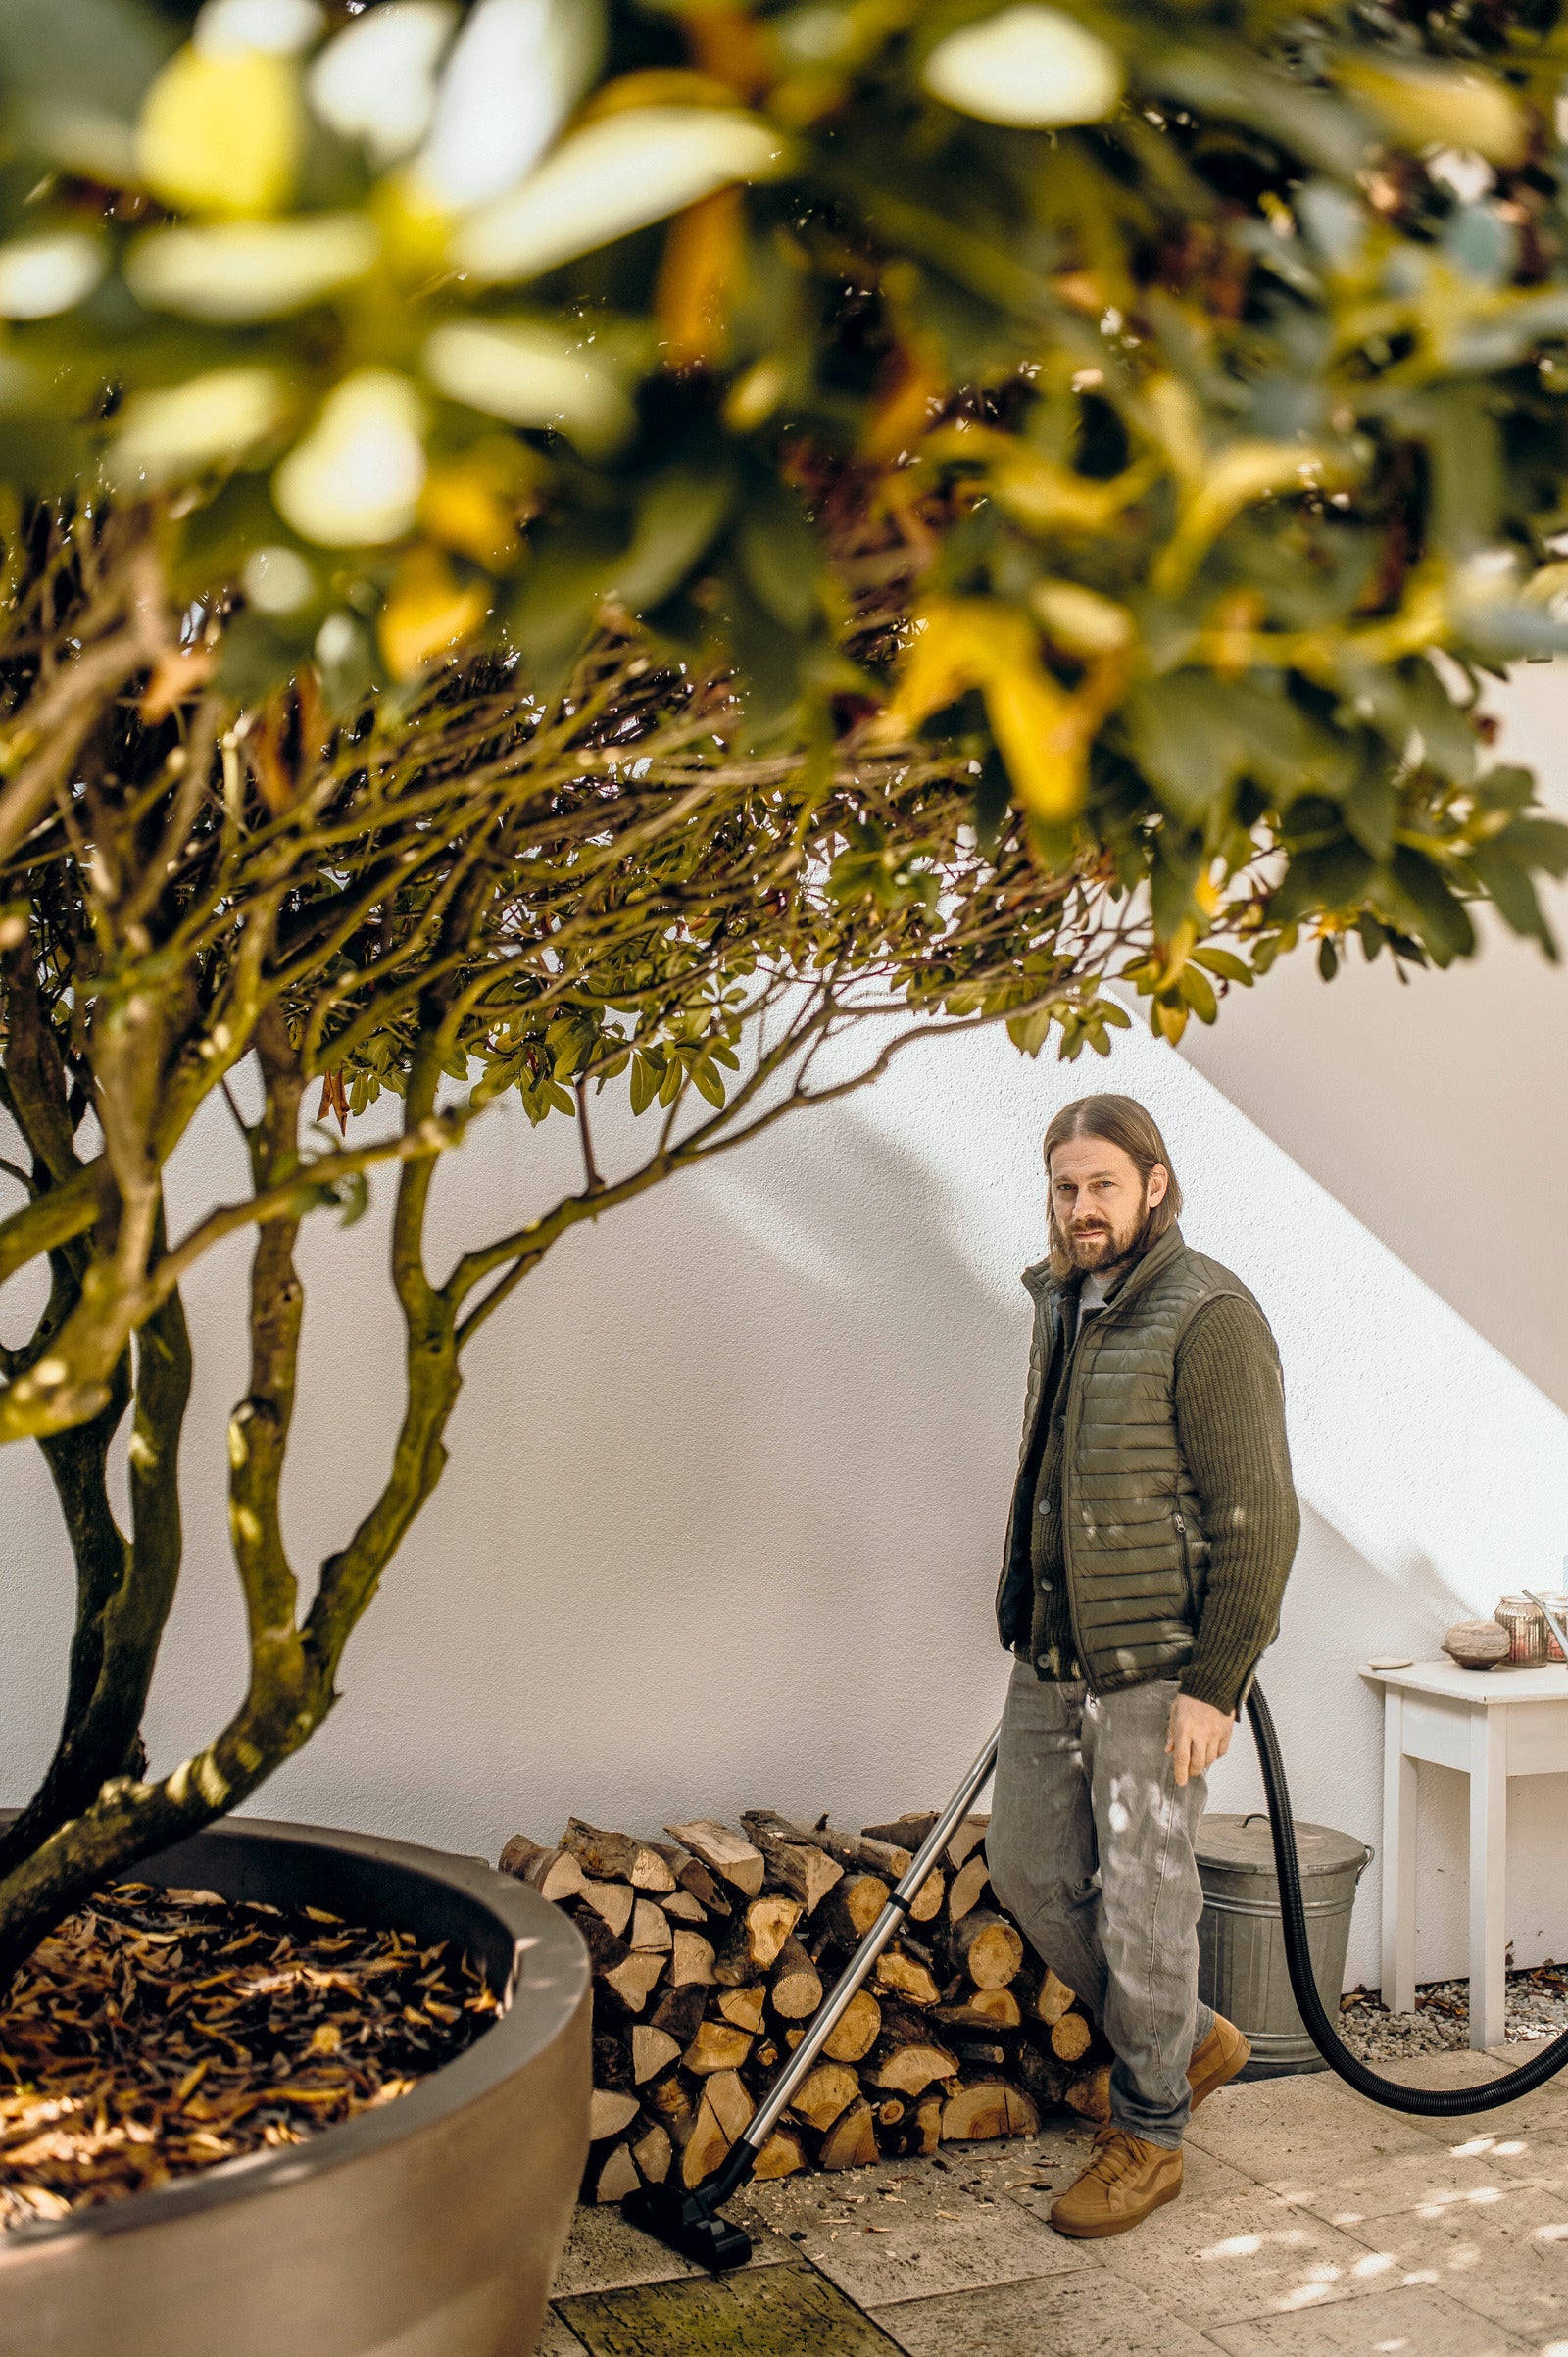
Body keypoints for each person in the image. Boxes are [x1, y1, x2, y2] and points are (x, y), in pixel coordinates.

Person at [987, 1092, 1299, 2239]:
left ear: (1153, 1184)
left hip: (1157, 1662)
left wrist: (1215, 1682)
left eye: (1102, 1185)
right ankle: (1188, 2037)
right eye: (1066, 1185)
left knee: (1145, 1899)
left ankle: (1151, 2133)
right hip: (1054, 1645)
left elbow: (1258, 1515)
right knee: (1026, 1865)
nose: (1081, 1206)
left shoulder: (1207, 1313)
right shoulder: (1059, 1299)